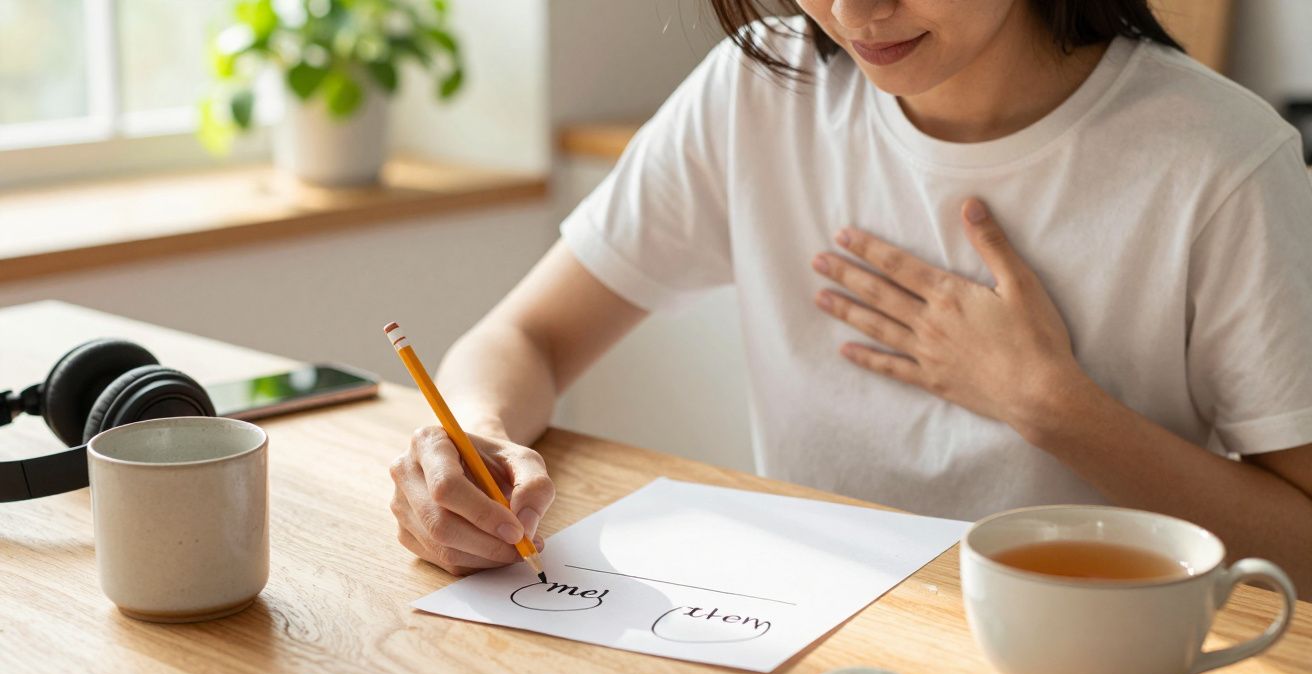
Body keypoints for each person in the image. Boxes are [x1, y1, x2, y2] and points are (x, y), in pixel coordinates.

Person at [388, 0, 1312, 594]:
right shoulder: (761, 88)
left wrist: (1057, 411)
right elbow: (529, 336)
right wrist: (472, 439)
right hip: (811, 653)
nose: (853, 10)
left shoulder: (1219, 162)